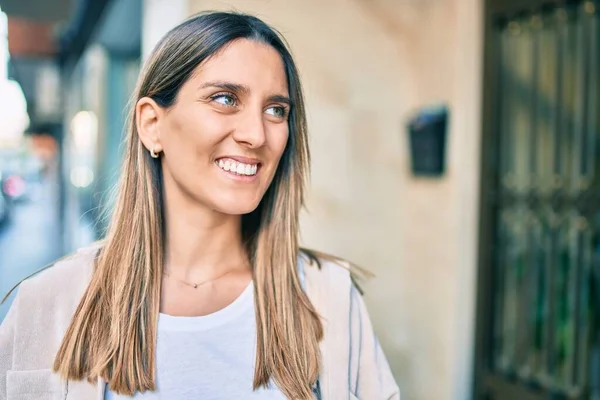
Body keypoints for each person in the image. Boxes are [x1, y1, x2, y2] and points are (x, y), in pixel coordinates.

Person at [0, 11, 400, 400]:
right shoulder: (49, 304)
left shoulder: (328, 298)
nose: (256, 134)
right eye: (225, 99)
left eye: (276, 110)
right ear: (152, 124)